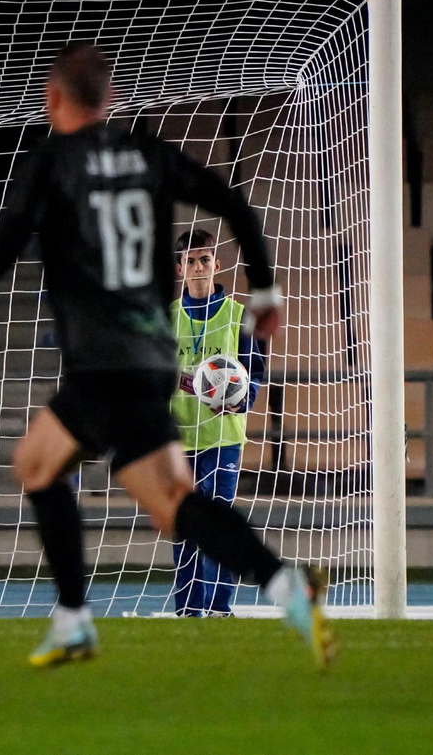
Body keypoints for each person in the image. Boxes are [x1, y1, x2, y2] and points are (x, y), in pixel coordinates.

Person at [0, 42, 334, 668]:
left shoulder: (54, 161)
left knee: (42, 467)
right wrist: (265, 292)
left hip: (99, 363)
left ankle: (75, 619)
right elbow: (235, 204)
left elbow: (7, 243)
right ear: (111, 99)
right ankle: (284, 585)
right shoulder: (150, 154)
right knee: (163, 499)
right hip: (151, 359)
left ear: (54, 99)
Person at [170, 229, 266, 617]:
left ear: (217, 264)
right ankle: (188, 610)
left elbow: (255, 372)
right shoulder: (165, 319)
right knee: (185, 528)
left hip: (224, 438)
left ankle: (220, 608)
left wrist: (242, 400)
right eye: (190, 261)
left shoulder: (238, 316)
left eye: (205, 260)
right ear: (180, 269)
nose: (198, 268)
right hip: (178, 439)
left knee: (222, 524)